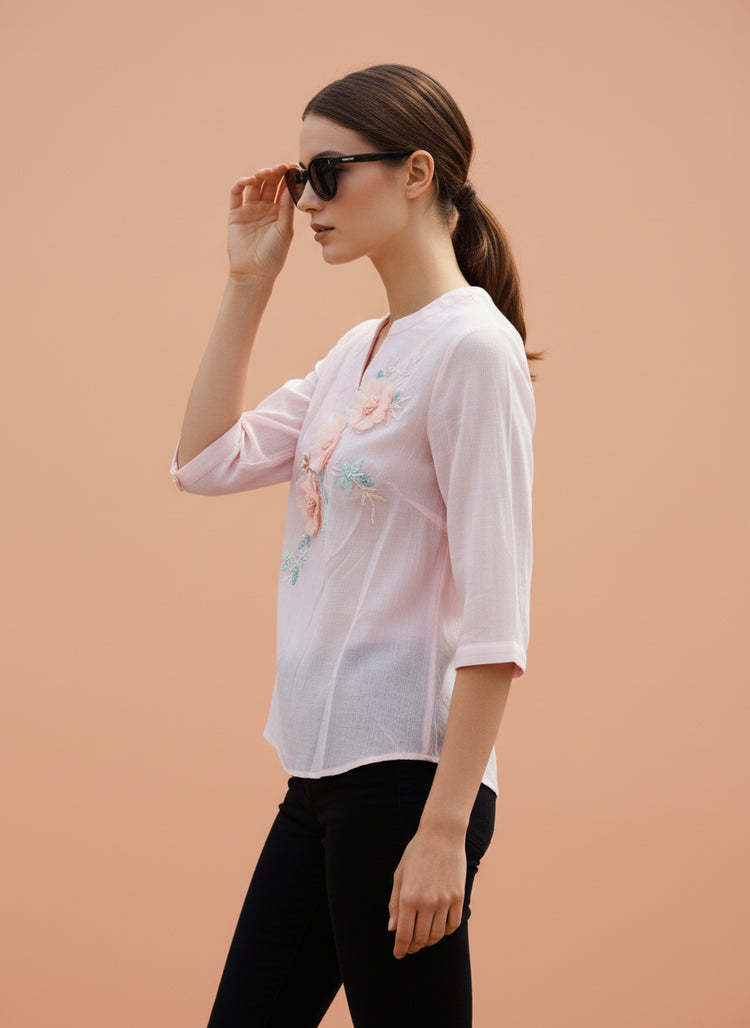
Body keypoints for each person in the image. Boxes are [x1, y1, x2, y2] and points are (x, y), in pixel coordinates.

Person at [171, 63, 542, 1028]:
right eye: (302, 178)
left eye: (328, 173)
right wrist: (247, 282)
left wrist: (445, 829)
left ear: (417, 173)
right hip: (319, 778)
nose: (307, 201)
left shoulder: (473, 349)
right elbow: (204, 462)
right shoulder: (357, 352)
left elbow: (497, 616)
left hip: (408, 782)